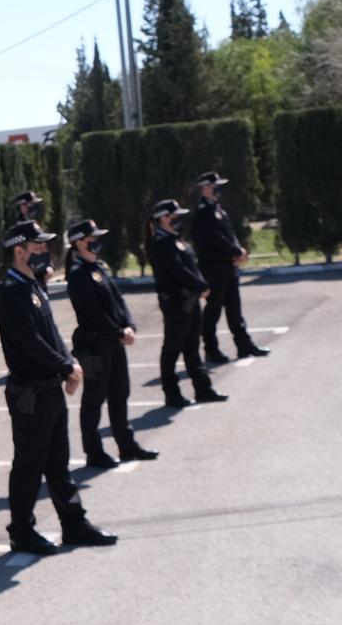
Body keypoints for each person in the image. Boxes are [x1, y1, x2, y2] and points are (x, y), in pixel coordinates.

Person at [0, 223, 119, 557]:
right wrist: (66, 366)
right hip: (30, 392)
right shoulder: (13, 290)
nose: (44, 252)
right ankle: (21, 531)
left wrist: (68, 364)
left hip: (48, 387)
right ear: (19, 250)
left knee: (58, 463)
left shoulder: (32, 285)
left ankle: (74, 524)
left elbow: (51, 333)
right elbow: (30, 341)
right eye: (38, 247)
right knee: (29, 465)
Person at [65, 221, 160, 471]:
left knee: (120, 395)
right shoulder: (77, 273)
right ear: (79, 242)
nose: (97, 240)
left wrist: (129, 324)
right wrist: (118, 331)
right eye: (92, 237)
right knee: (94, 399)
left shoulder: (98, 267)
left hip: (113, 343)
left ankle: (127, 446)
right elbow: (92, 311)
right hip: (95, 346)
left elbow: (118, 301)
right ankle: (94, 452)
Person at [146, 201, 228, 409]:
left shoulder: (174, 240)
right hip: (176, 303)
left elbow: (191, 266)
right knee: (172, 348)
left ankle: (203, 389)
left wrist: (200, 285)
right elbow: (178, 270)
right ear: (164, 217)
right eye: (175, 215)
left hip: (189, 300)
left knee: (192, 346)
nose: (178, 219)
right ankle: (171, 394)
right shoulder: (160, 242)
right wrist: (201, 285)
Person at [191, 171, 272, 364]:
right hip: (213, 268)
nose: (219, 189)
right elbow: (215, 238)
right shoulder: (203, 212)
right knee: (213, 310)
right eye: (215, 186)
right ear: (205, 188)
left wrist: (239, 251)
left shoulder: (218, 209)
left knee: (235, 309)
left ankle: (244, 345)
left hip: (228, 266)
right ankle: (211, 349)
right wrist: (235, 251)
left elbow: (229, 233)